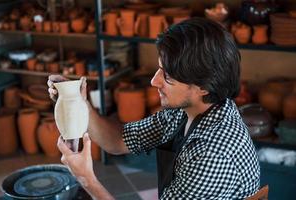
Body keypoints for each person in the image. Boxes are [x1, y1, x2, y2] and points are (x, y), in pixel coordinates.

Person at [48, 17, 260, 199]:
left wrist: (87, 179)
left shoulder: (212, 155)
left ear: (203, 87)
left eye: (167, 76)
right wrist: (80, 102)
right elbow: (119, 140)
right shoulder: (187, 111)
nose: (154, 81)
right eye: (160, 69)